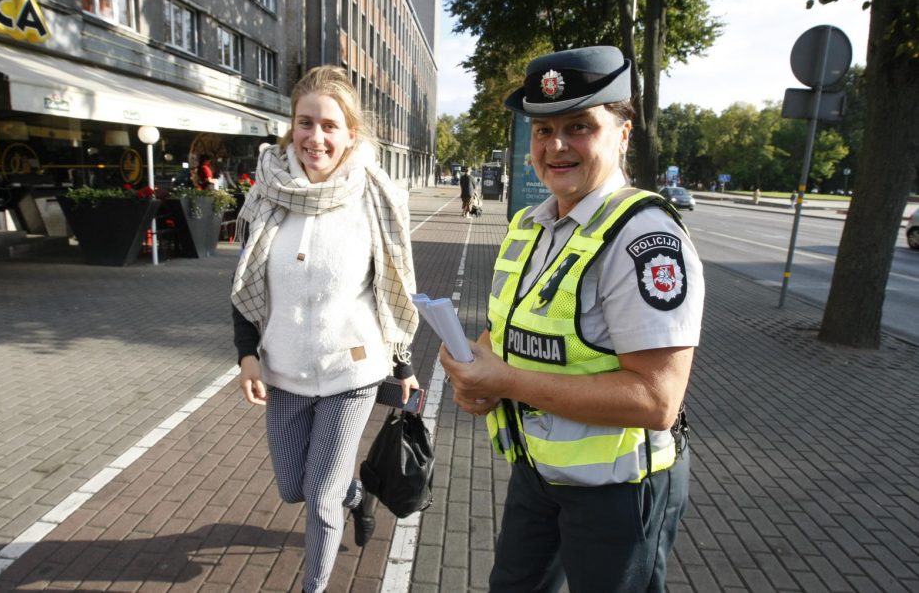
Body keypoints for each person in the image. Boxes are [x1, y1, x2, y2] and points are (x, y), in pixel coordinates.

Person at [439, 46, 705, 593]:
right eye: (543, 129)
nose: (555, 146)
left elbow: (657, 401)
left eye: (579, 126)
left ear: (622, 134)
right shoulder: (532, 225)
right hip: (538, 472)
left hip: (620, 491)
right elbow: (508, 332)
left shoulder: (644, 239)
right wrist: (475, 376)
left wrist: (506, 381)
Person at [230, 65, 420, 593]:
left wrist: (402, 361)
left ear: (350, 133)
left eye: (330, 125)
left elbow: (394, 285)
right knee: (294, 486)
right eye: (304, 122)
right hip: (283, 370)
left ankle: (316, 579)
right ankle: (355, 494)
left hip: (352, 371)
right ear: (291, 126)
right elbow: (245, 283)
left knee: (319, 497)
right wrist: (247, 355)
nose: (316, 137)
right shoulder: (267, 194)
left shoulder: (374, 197)